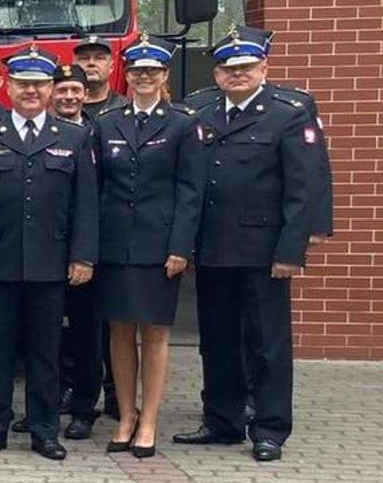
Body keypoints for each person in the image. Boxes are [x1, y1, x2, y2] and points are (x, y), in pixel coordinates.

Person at [174, 26, 322, 463]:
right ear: (217, 72)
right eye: (227, 68)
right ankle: (222, 420)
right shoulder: (198, 110)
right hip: (213, 246)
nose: (236, 75)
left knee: (267, 343)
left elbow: (302, 187)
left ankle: (270, 429)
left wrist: (291, 252)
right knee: (216, 340)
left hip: (263, 250)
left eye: (244, 67)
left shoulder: (288, 113)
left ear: (263, 67)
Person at [0, 47, 98, 461]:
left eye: (39, 83)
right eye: (23, 84)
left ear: (51, 88)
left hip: (50, 264)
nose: (31, 91)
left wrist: (83, 257)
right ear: (10, 86)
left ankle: (44, 430)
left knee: (46, 353)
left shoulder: (74, 137)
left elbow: (86, 205)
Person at [92, 35, 202, 458]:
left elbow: (189, 191)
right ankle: (125, 416)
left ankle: (150, 422)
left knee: (155, 334)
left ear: (164, 76)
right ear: (129, 75)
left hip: (160, 245)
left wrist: (181, 246)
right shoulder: (106, 123)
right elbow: (96, 189)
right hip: (115, 243)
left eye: (152, 72)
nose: (143, 78)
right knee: (119, 332)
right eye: (137, 71)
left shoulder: (181, 122)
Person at [49, 61, 104, 440]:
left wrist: (86, 253)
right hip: (44, 249)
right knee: (45, 334)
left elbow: (98, 200)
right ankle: (48, 404)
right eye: (62, 89)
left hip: (84, 249)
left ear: (85, 95)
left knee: (86, 333)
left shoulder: (99, 133)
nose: (69, 96)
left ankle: (84, 408)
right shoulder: (41, 131)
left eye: (75, 90)